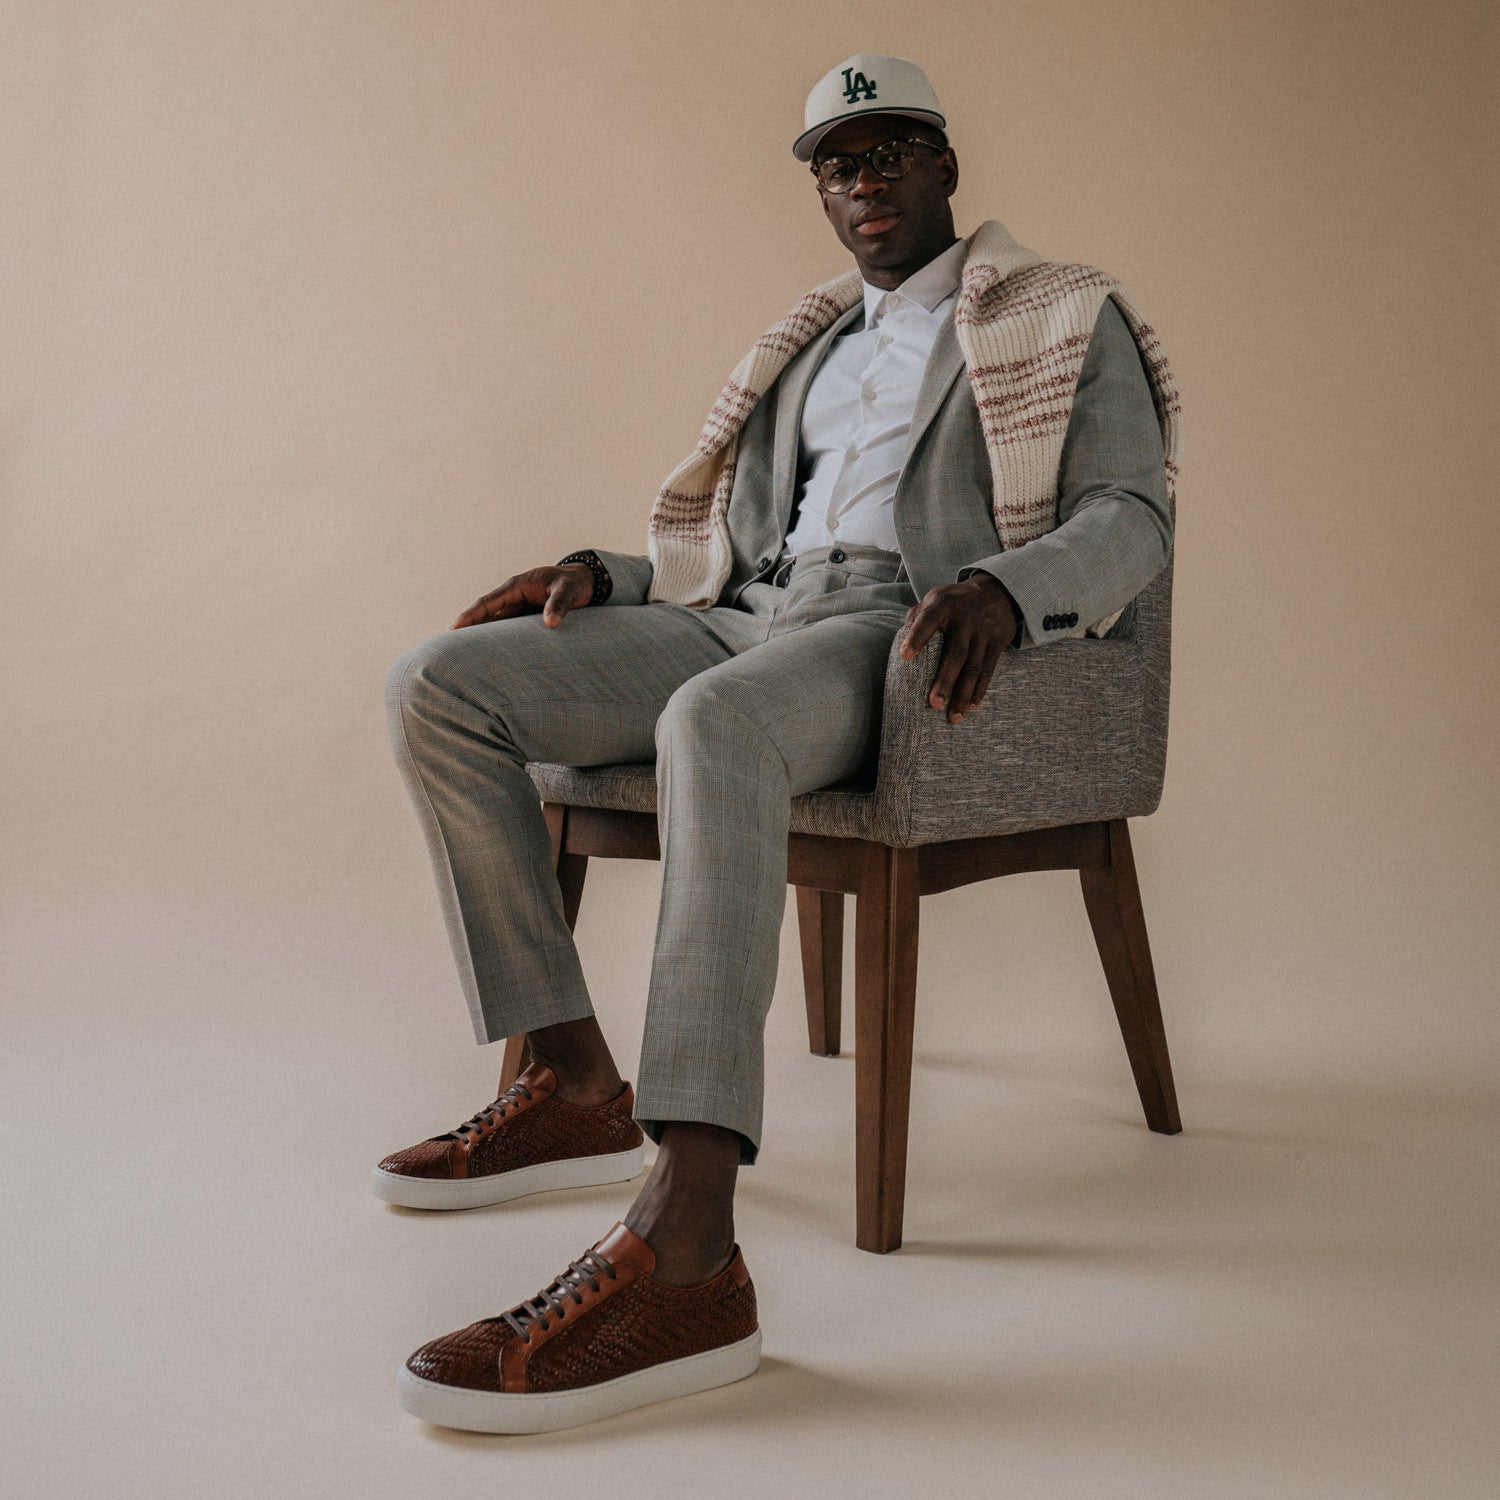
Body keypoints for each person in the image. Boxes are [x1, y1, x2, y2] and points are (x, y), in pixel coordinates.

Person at [377, 52, 1181, 1433]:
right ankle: (569, 1076)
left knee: (711, 725)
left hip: (907, 630)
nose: (866, 180)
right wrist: (608, 573)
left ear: (944, 164)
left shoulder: (1060, 317)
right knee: (441, 682)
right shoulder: (807, 344)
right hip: (754, 614)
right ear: (821, 190)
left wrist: (1008, 582)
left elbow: (1131, 514)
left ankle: (688, 1236)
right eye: (838, 162)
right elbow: (737, 553)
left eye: (893, 150)